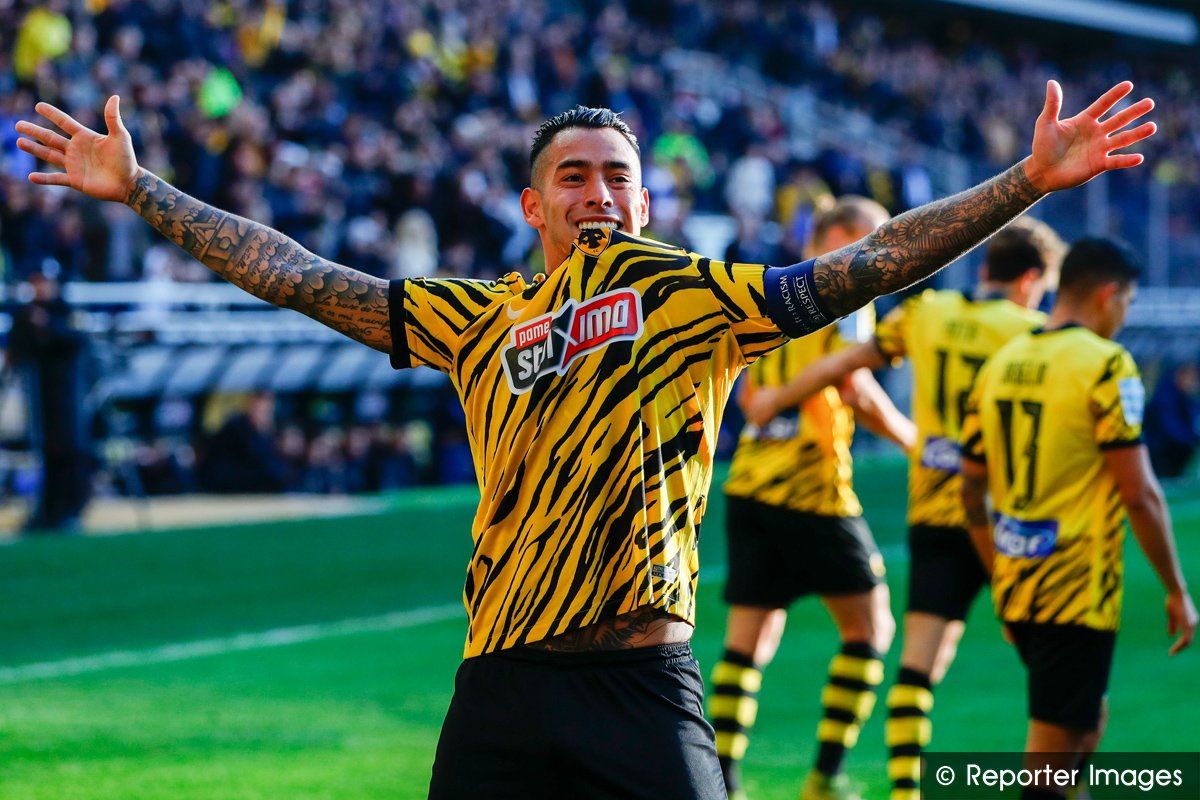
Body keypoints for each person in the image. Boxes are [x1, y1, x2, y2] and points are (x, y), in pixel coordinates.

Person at [17, 80, 1156, 799]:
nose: (598, 191)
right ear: (534, 205)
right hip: (500, 682)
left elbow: (870, 262)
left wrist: (1025, 182)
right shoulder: (479, 317)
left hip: (640, 677)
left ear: (648, 205)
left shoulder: (697, 296)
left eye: (619, 175)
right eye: (574, 176)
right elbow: (304, 277)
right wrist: (145, 190)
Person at [744, 213, 1066, 800]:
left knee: (915, 668)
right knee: (1057, 670)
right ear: (1031, 281)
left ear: (987, 268)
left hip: (933, 514)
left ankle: (902, 791)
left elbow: (846, 368)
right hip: (1010, 518)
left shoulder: (925, 314)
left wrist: (772, 401)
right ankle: (1056, 786)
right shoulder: (1035, 336)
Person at [960, 238, 1197, 800]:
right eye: (1128, 302)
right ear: (1109, 293)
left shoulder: (1002, 362)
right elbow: (1139, 494)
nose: (1124, 315)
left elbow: (971, 489)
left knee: (1083, 726)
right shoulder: (1105, 364)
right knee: (1050, 760)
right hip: (1075, 589)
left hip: (1019, 580)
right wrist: (1176, 589)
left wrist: (1000, 572)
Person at [709, 196, 916, 800]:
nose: (884, 252)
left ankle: (723, 782)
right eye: (876, 238)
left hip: (750, 485)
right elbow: (855, 384)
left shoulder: (765, 292)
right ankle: (825, 776)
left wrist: (776, 401)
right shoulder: (847, 291)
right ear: (846, 235)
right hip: (812, 486)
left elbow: (747, 398)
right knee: (871, 628)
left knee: (750, 640)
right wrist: (913, 440)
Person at [5, 269, 94, 532]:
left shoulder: (63, 312)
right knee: (45, 455)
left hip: (67, 396)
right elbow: (17, 351)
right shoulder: (26, 315)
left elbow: (75, 340)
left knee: (70, 451)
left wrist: (47, 325)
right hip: (40, 399)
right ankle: (47, 511)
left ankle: (70, 510)